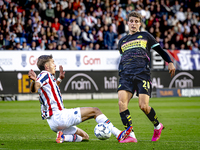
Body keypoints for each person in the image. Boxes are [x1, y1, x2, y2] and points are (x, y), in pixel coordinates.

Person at [28, 55, 132, 143]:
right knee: (95, 111)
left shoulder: (48, 77)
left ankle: (63, 137)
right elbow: (35, 88)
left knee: (85, 137)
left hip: (53, 123)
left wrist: (60, 79)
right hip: (60, 116)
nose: (55, 65)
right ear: (47, 66)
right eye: (53, 63)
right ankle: (118, 134)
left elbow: (52, 88)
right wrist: (33, 81)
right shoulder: (44, 75)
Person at [117, 11, 176, 143]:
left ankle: (157, 126)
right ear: (128, 23)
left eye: (136, 21)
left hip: (142, 74)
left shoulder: (145, 36)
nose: (133, 24)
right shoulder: (122, 41)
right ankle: (130, 134)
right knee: (122, 102)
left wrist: (170, 62)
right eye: (131, 21)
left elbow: (160, 51)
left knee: (143, 106)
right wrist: (121, 73)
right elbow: (123, 59)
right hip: (126, 75)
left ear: (140, 24)